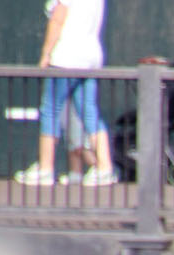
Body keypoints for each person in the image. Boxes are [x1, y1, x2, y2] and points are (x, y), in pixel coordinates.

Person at [14, 0, 116, 186]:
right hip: (90, 57)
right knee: (89, 111)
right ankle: (105, 167)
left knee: (50, 110)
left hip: (66, 57)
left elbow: (57, 21)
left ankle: (45, 168)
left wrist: (46, 53)